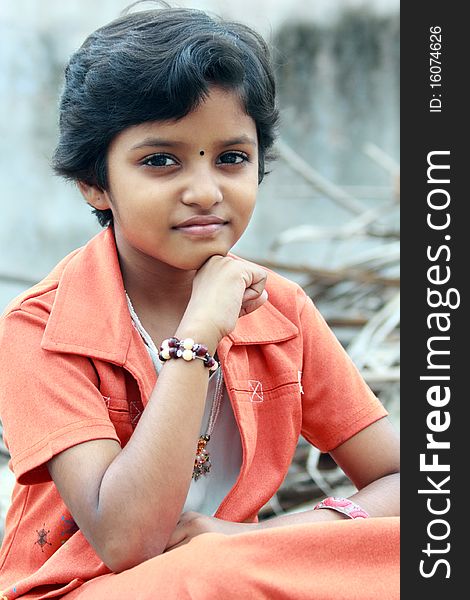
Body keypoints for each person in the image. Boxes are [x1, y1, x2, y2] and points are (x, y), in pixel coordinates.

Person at [0, 3, 400, 599]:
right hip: (91, 588)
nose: (205, 191)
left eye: (231, 158)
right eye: (161, 160)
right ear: (94, 181)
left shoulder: (280, 310)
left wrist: (273, 535)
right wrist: (197, 340)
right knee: (208, 576)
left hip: (238, 572)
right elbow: (127, 540)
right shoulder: (41, 327)